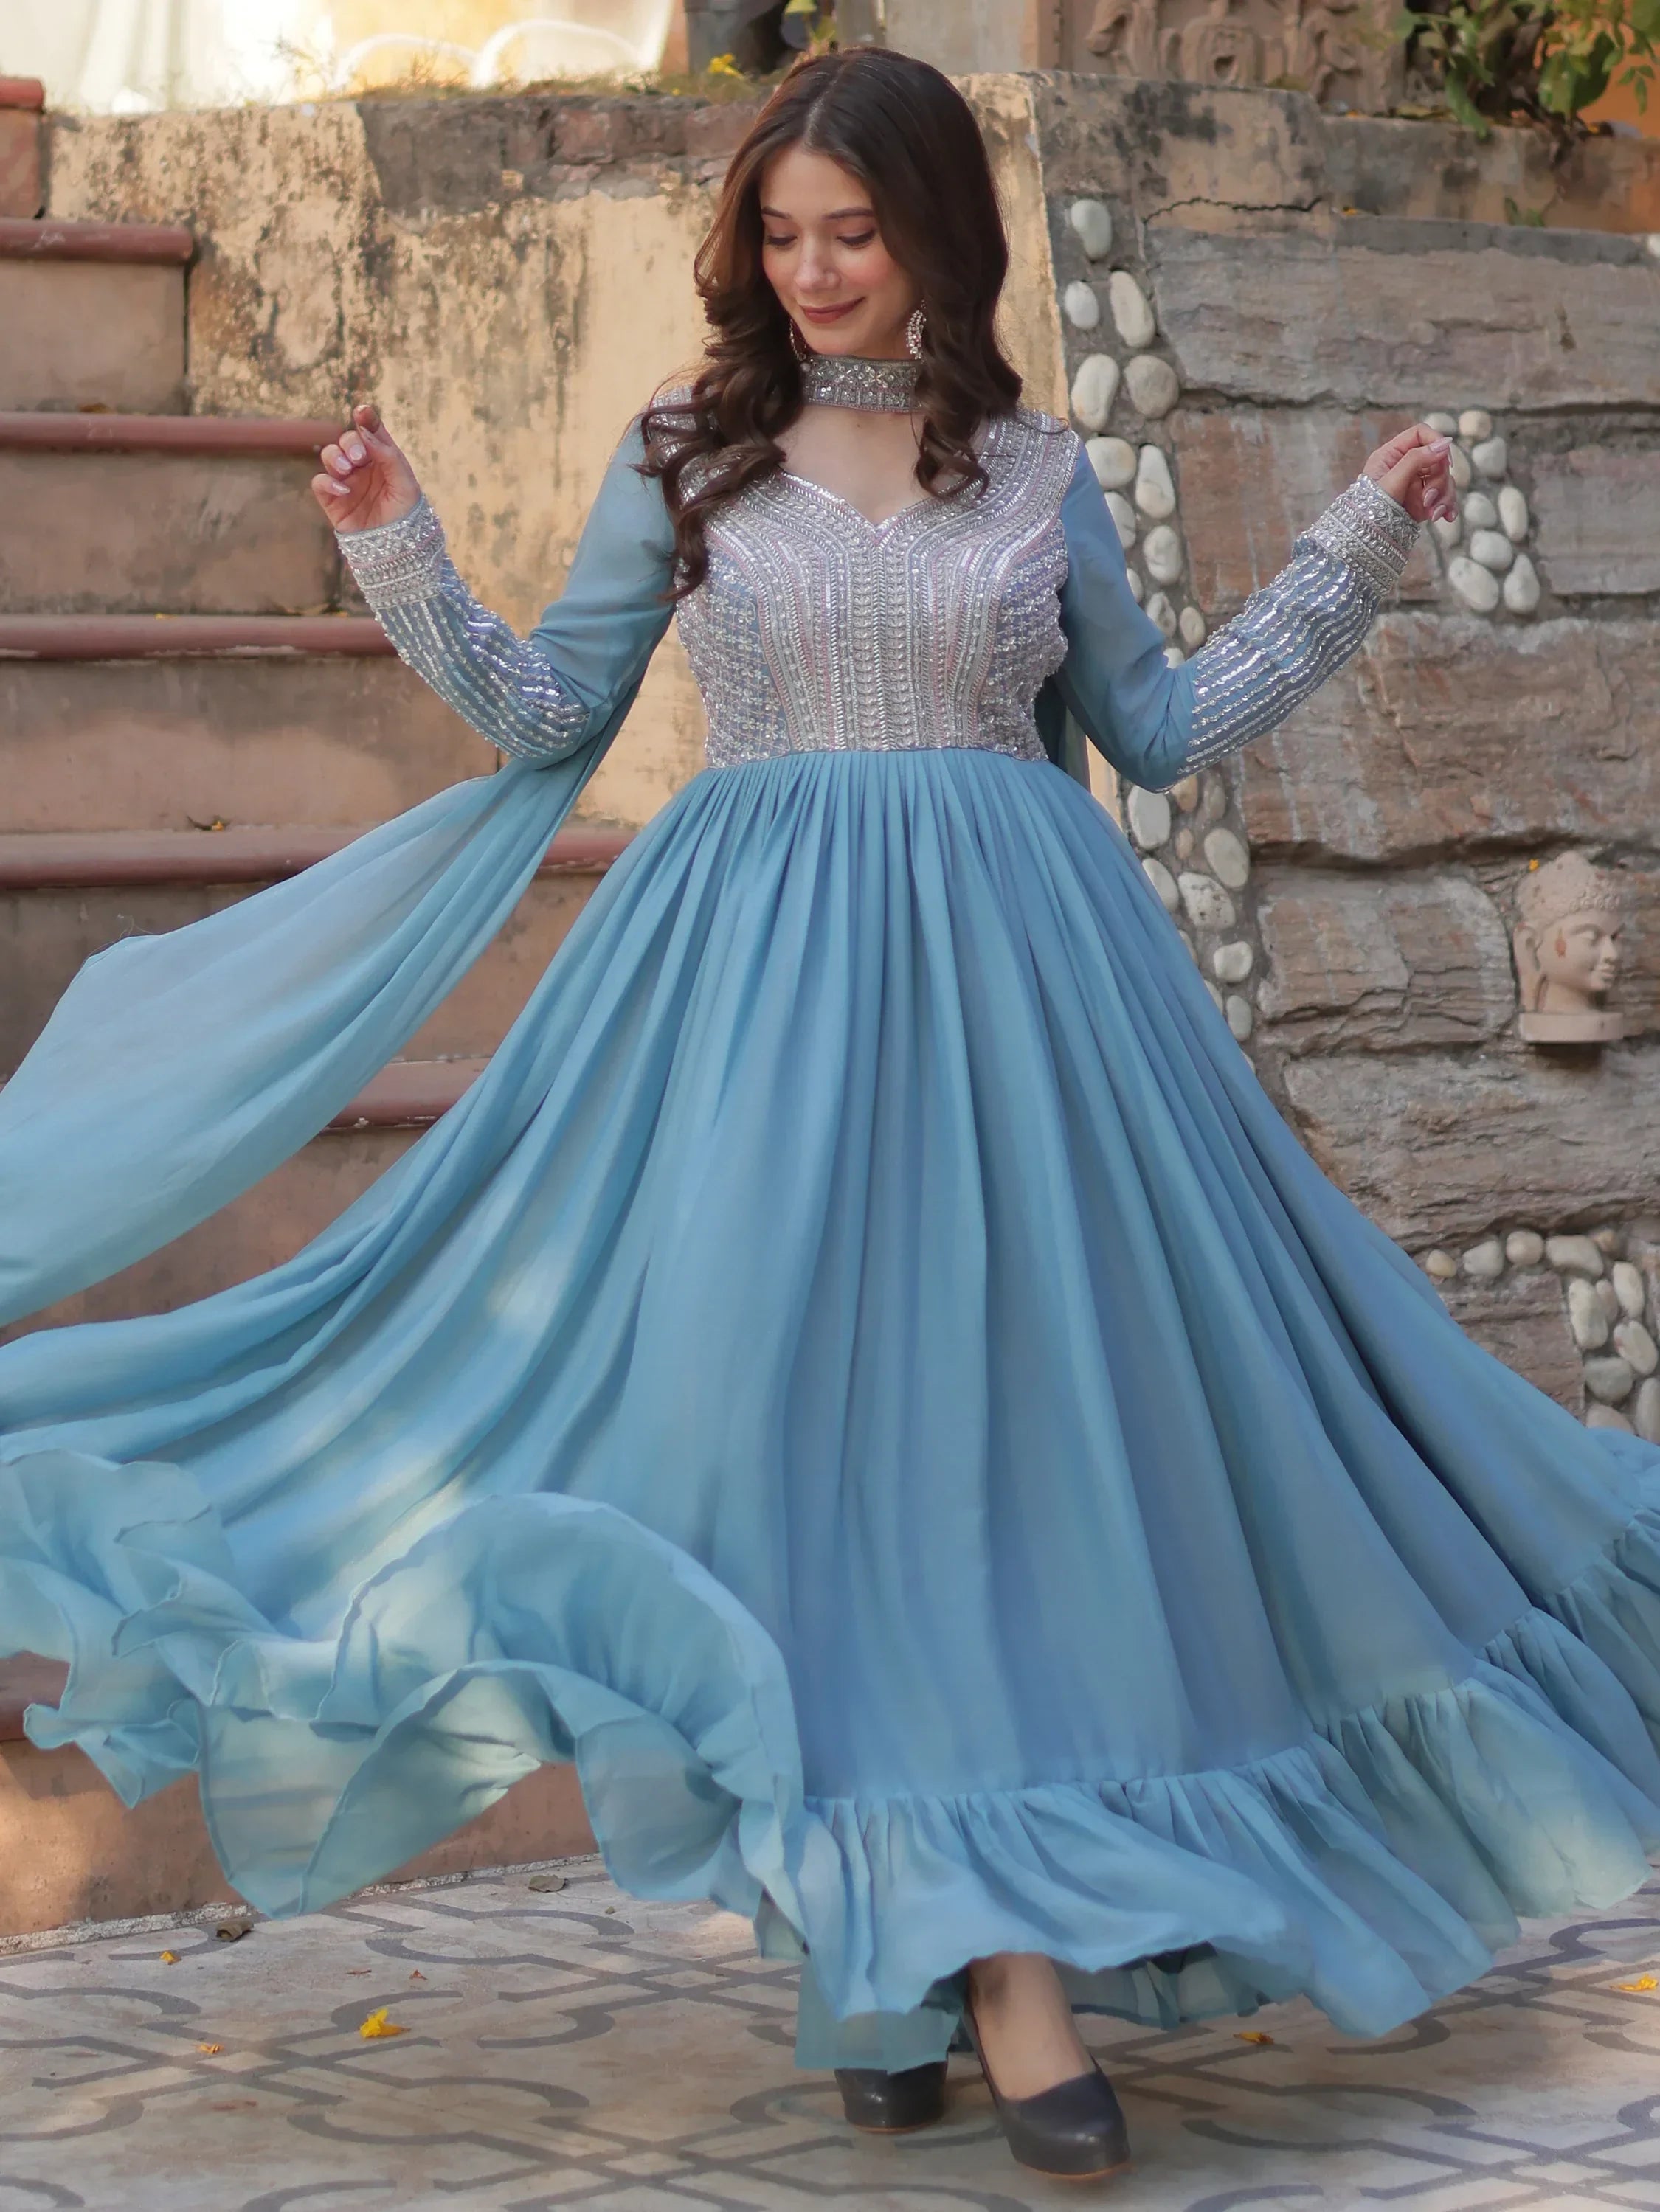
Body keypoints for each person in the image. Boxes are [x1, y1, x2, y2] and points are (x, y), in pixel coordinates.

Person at [2, 46, 1659, 2189]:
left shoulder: (1034, 473)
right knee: (813, 1463)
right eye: (777, 236)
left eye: (849, 235)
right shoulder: (689, 454)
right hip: (752, 1021)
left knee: (1007, 1461)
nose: (809, 274)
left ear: (938, 237)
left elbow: (1156, 736)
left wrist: (1350, 550)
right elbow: (544, 718)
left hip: (1034, 1025)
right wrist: (395, 551)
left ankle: (944, 1961)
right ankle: (938, 1957)